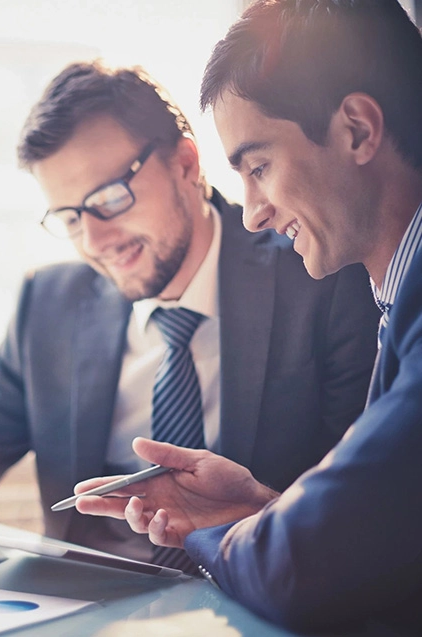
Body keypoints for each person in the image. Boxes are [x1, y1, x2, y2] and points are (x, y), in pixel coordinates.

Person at [0, 60, 379, 575]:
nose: (94, 241)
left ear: (184, 163)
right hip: (84, 611)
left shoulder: (320, 274)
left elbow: (359, 506)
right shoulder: (50, 302)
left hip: (253, 599)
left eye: (109, 198)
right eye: (69, 217)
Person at [75, 2, 422, 634]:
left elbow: (302, 567)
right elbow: (390, 532)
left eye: (258, 168)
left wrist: (227, 530)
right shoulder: (398, 298)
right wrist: (263, 508)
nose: (253, 214)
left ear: (358, 131)